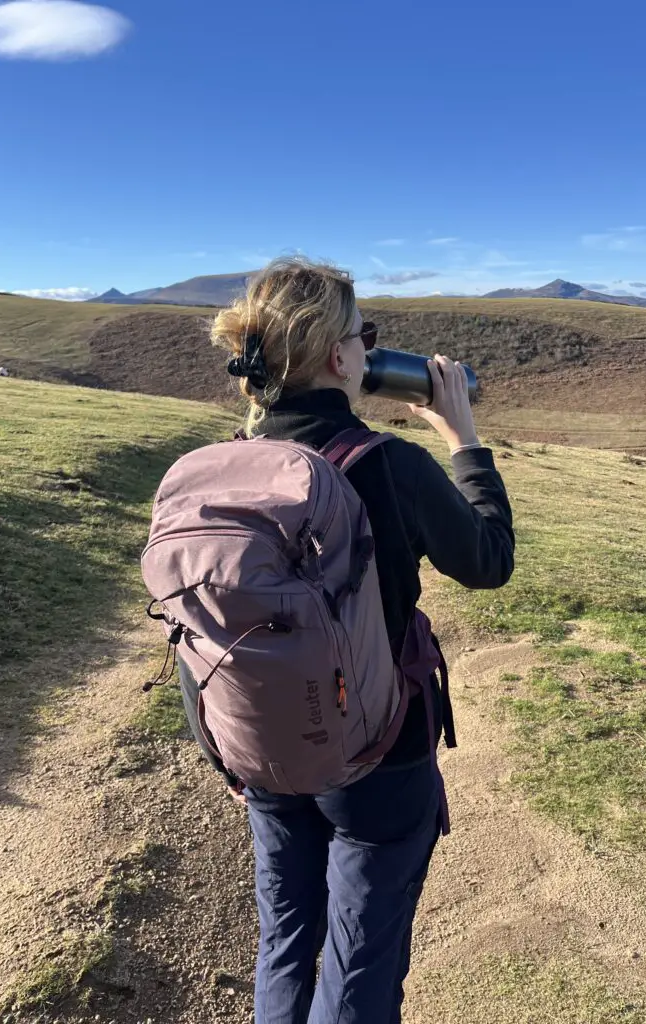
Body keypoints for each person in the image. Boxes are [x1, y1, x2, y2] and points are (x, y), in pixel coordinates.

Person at [175, 257, 515, 1024]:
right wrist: (464, 439)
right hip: (379, 758)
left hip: (260, 752)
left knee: (286, 943)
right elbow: (490, 561)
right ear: (340, 358)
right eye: (364, 337)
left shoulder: (219, 468)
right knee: (360, 966)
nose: (368, 350)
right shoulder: (393, 466)